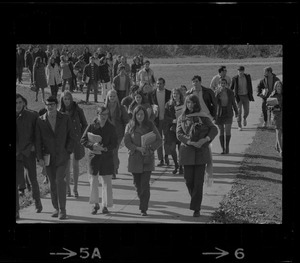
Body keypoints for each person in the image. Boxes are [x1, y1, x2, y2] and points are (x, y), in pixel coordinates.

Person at [176, 94, 218, 217]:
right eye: (188, 103)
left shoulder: (203, 117)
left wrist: (205, 140)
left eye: (193, 103)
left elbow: (214, 129)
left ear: (196, 104)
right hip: (187, 153)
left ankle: (196, 208)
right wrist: (189, 141)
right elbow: (179, 133)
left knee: (198, 182)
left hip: (201, 153)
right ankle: (196, 202)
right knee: (189, 181)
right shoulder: (182, 117)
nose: (190, 105)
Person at [35, 95, 76, 220]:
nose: (50, 107)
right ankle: (56, 208)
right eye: (47, 105)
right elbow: (38, 141)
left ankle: (63, 209)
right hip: (48, 158)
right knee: (52, 183)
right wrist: (40, 157)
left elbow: (72, 136)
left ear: (57, 105)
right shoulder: (40, 121)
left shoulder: (65, 118)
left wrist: (67, 151)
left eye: (52, 104)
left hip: (62, 156)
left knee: (59, 181)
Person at [124, 105, 162, 216]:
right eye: (138, 114)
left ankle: (143, 208)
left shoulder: (150, 125)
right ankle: (142, 200)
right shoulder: (130, 126)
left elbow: (159, 140)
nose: (140, 116)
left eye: (142, 114)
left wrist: (149, 148)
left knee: (145, 185)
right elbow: (126, 142)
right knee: (137, 184)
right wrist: (136, 148)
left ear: (145, 115)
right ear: (135, 115)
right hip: (135, 158)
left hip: (147, 158)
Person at [81, 106, 118, 214]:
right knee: (93, 181)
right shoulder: (92, 126)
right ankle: (95, 204)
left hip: (106, 157)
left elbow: (114, 143)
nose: (103, 117)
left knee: (106, 182)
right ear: (97, 114)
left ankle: (105, 205)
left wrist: (106, 148)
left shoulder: (111, 127)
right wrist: (92, 145)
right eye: (101, 114)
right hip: (94, 157)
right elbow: (83, 140)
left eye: (106, 114)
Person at [186, 75, 217, 185]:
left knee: (207, 140)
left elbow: (214, 104)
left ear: (200, 82)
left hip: (207, 117)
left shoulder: (208, 91)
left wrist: (214, 116)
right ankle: (201, 160)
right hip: (195, 118)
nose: (195, 83)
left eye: (196, 81)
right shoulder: (189, 93)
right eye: (193, 81)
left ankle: (207, 160)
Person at [16, 93, 43, 219]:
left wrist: (36, 149)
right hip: (16, 154)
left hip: (29, 152)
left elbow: (38, 135)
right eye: (16, 103)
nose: (18, 105)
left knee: (33, 179)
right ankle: (16, 211)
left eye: (20, 102)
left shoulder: (32, 116)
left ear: (24, 103)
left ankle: (37, 202)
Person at [59, 91, 88, 197]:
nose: (67, 101)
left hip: (76, 139)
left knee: (75, 164)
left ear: (71, 99)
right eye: (65, 99)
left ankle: (75, 188)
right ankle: (67, 189)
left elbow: (85, 124)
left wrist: (81, 136)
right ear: (62, 100)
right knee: (67, 165)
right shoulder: (60, 111)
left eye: (68, 98)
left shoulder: (78, 110)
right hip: (65, 141)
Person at [104, 89, 129, 179]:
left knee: (114, 151)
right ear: (107, 97)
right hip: (108, 133)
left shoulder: (121, 108)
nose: (112, 98)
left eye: (114, 96)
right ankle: (116, 165)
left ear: (117, 97)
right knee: (111, 151)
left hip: (118, 132)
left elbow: (126, 120)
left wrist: (127, 132)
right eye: (110, 96)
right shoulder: (104, 108)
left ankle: (113, 171)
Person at [148, 78, 171, 166]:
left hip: (166, 120)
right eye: (157, 83)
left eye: (160, 83)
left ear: (164, 84)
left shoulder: (169, 93)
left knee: (167, 140)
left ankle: (166, 156)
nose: (159, 85)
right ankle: (160, 159)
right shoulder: (151, 94)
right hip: (156, 121)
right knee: (158, 140)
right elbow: (149, 106)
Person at [164, 87, 185, 174]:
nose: (175, 95)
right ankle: (176, 165)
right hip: (171, 129)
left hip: (182, 128)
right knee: (172, 148)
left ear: (180, 95)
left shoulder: (184, 104)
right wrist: (173, 120)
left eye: (176, 94)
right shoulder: (168, 104)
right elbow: (165, 117)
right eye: (173, 94)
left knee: (181, 149)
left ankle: (180, 166)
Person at [214, 78, 238, 154]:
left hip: (228, 113)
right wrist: (217, 93)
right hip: (219, 113)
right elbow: (214, 103)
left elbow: (233, 103)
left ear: (227, 84)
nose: (223, 85)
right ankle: (223, 149)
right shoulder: (217, 92)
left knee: (227, 130)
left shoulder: (230, 92)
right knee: (221, 131)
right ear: (219, 84)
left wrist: (236, 111)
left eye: (224, 83)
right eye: (221, 83)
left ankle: (227, 147)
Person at [230, 66, 255, 131]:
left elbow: (250, 86)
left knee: (247, 111)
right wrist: (230, 95)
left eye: (241, 71)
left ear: (244, 71)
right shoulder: (235, 78)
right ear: (237, 71)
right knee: (239, 111)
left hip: (246, 96)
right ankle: (239, 125)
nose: (240, 72)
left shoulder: (247, 77)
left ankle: (244, 118)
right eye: (239, 71)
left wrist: (251, 94)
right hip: (238, 97)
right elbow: (231, 88)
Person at [267, 80, 283, 157]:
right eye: (277, 86)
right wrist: (273, 106)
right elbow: (268, 106)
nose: (279, 88)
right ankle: (281, 150)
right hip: (276, 116)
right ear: (275, 87)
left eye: (280, 86)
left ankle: (277, 146)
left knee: (280, 132)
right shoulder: (272, 95)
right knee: (278, 131)